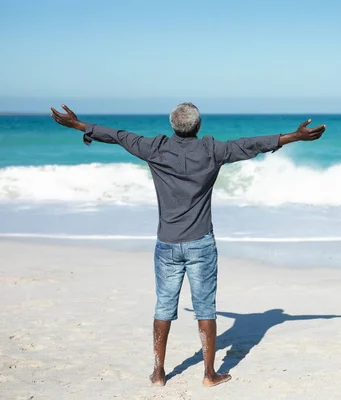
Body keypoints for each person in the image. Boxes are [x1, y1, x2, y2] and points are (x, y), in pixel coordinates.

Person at [50, 103, 326, 387]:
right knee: (206, 308)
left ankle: (158, 372)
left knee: (163, 306)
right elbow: (250, 145)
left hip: (167, 244)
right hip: (201, 244)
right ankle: (209, 374)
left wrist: (79, 125)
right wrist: (293, 136)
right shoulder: (212, 151)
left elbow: (119, 135)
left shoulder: (154, 148)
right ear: (198, 126)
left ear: (173, 126)